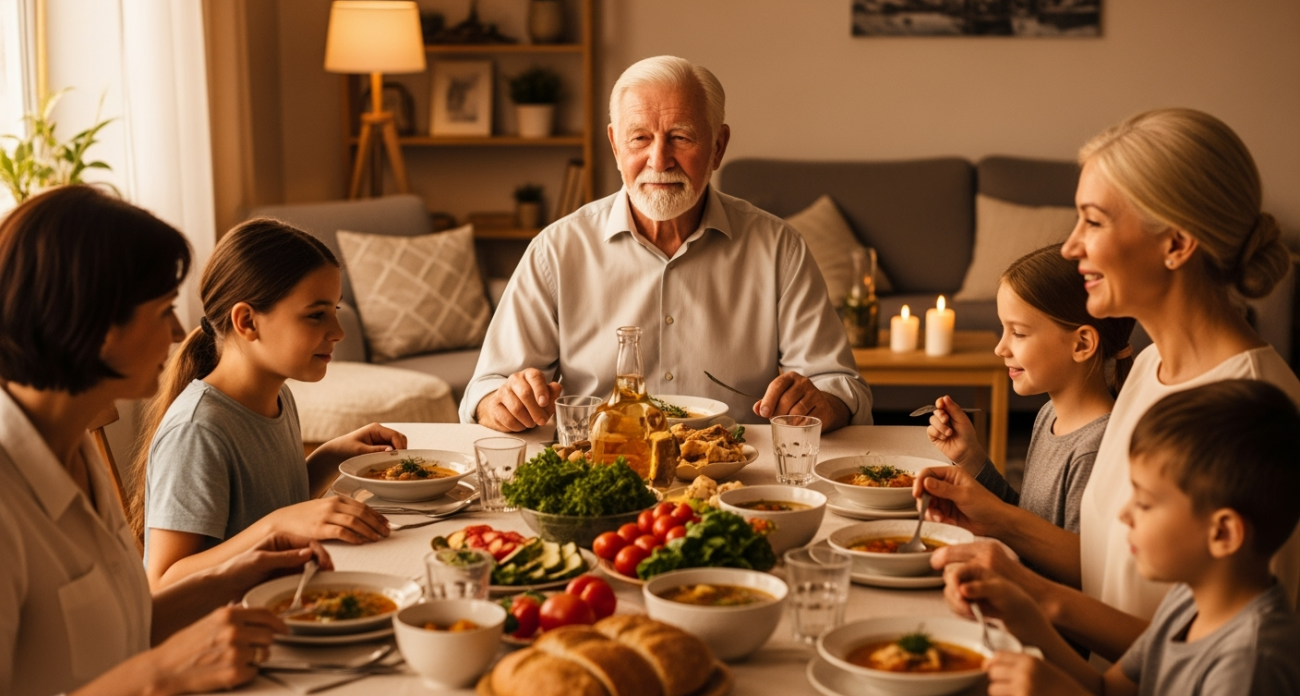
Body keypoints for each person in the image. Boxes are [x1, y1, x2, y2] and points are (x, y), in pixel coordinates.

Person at [917, 108, 1300, 663]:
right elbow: (1109, 562)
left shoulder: (1259, 409)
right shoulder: (1147, 369)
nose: (1071, 248)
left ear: (1176, 243)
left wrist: (1034, 593)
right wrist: (1003, 548)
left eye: (1093, 222)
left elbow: (1234, 657)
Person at [0, 185, 331, 695]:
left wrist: (233, 576)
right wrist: (161, 674)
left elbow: (122, 629)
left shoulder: (72, 448)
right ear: (91, 323)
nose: (179, 333)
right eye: (161, 311)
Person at [460, 55, 872, 433]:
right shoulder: (557, 249)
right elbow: (486, 389)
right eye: (640, 138)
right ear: (615, 146)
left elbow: (839, 384)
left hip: (738, 473)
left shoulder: (780, 248)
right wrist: (502, 403)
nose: (659, 160)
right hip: (597, 470)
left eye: (680, 137)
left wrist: (824, 402)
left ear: (718, 147)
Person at [947, 381, 1300, 696]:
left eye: (1144, 503)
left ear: (1222, 533)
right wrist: (1023, 615)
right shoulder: (1190, 601)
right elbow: (1108, 687)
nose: (1123, 514)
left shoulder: (1249, 665)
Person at [132, 219, 403, 590]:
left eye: (336, 310)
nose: (338, 332)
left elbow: (266, 507)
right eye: (316, 314)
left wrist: (329, 458)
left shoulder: (277, 396)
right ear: (247, 321)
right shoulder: (198, 430)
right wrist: (276, 527)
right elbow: (163, 582)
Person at [926, 244, 1133, 539]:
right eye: (1003, 329)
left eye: (1019, 333)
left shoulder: (1094, 449)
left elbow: (1083, 568)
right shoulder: (1049, 414)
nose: (1000, 348)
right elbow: (1029, 523)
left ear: (1082, 344)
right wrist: (971, 457)